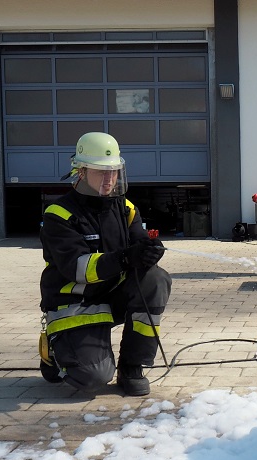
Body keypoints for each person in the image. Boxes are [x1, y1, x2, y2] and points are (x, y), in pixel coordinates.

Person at [39, 132, 170, 396]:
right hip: (75, 304)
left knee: (155, 279)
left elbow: (138, 246)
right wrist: (125, 258)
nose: (110, 179)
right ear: (82, 171)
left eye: (113, 172)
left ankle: (132, 366)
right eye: (102, 172)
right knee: (93, 377)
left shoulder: (126, 208)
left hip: (112, 296)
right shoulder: (59, 215)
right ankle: (52, 351)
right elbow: (77, 269)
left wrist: (148, 253)